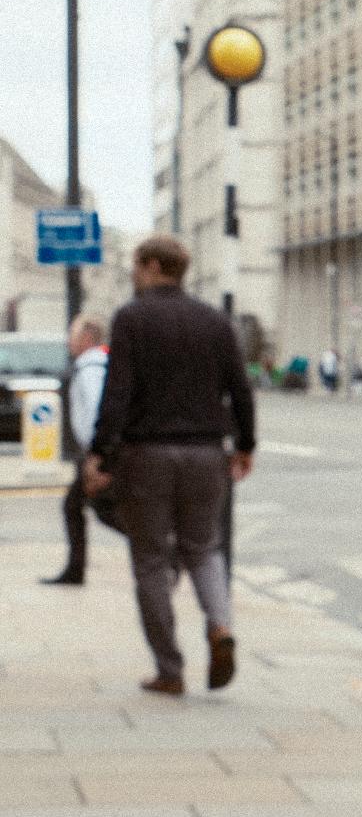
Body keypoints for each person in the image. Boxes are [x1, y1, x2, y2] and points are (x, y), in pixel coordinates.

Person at [86, 234, 254, 696]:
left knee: (151, 560)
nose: (134, 274)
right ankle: (219, 626)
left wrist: (100, 453)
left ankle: (169, 669)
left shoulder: (132, 319)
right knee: (204, 548)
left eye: (138, 266)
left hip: (147, 454)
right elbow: (240, 388)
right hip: (206, 453)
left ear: (153, 265)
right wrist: (245, 444)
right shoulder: (215, 322)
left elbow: (117, 392)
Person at [42, 315, 109, 588]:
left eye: (73, 334)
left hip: (96, 453)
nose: (69, 340)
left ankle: (75, 570)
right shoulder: (96, 365)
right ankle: (75, 569)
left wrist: (96, 454)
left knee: (95, 507)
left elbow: (95, 410)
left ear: (87, 338)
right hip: (96, 451)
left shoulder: (90, 368)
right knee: (85, 506)